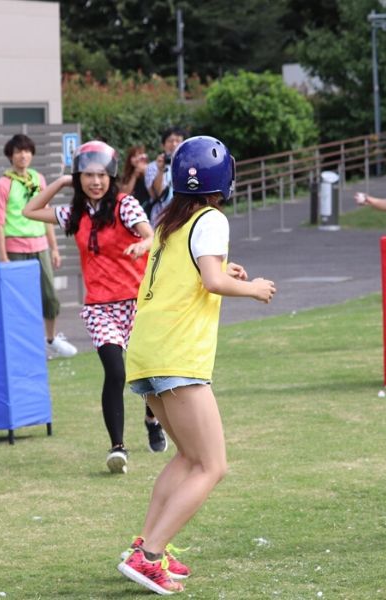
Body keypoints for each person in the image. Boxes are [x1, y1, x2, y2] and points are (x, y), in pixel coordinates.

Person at [117, 136, 276, 595]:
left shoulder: (170, 221)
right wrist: (254, 288)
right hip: (178, 354)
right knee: (212, 465)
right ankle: (148, 558)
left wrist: (230, 272)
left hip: (147, 350)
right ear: (222, 179)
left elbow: (191, 275)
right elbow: (210, 279)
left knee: (188, 457)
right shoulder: (212, 219)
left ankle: (146, 546)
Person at [22, 140, 169, 473]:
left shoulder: (124, 205)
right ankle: (118, 448)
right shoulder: (74, 212)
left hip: (137, 302)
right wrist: (60, 183)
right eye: (87, 175)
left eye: (101, 175)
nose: (95, 182)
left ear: (111, 175)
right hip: (99, 307)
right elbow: (29, 212)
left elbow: (151, 235)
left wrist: (142, 244)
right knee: (116, 372)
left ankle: (151, 418)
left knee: (147, 374)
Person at [0, 134, 77, 360]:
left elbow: (46, 214)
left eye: (27, 151)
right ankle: (24, 347)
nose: (23, 155)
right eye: (19, 151)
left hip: (40, 246)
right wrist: (3, 255)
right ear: (11, 155)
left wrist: (55, 248)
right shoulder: (3, 183)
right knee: (20, 300)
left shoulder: (37, 179)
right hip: (15, 248)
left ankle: (50, 340)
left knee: (49, 297)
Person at [143, 127, 186, 224]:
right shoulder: (152, 167)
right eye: (170, 141)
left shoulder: (189, 165)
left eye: (178, 141)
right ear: (163, 145)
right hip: (161, 218)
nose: (174, 144)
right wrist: (160, 170)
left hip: (183, 216)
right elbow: (156, 195)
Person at [120, 145, 152, 210]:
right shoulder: (127, 174)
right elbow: (124, 195)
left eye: (140, 155)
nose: (137, 159)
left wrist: (145, 172)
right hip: (131, 209)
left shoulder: (150, 171)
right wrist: (134, 176)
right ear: (130, 160)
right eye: (134, 156)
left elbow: (154, 193)